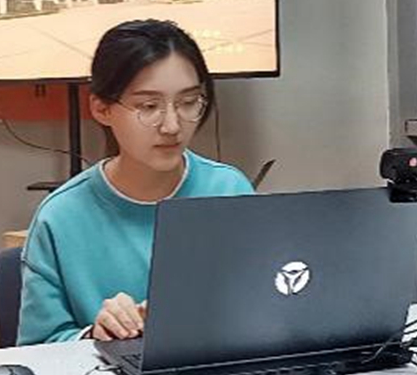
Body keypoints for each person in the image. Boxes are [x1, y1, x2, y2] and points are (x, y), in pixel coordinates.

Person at [16, 19, 254, 344]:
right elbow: (37, 347)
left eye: (188, 102)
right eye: (148, 106)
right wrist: (94, 335)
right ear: (102, 108)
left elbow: (263, 307)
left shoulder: (229, 191)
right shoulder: (61, 217)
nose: (172, 125)